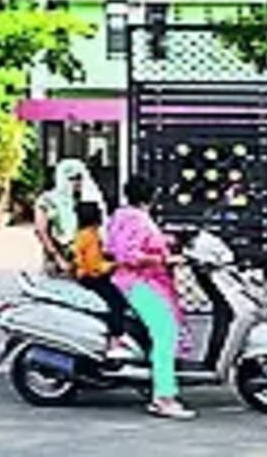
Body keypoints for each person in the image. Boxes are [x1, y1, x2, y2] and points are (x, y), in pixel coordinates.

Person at [106, 175, 197, 420]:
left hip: (137, 281)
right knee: (165, 331)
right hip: (137, 282)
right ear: (152, 196)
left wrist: (171, 241)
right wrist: (164, 259)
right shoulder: (136, 218)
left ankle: (157, 379)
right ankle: (163, 398)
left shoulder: (123, 215)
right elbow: (129, 254)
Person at [73, 202, 136, 360]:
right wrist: (118, 264)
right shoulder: (90, 235)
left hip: (87, 275)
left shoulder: (84, 233)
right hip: (92, 278)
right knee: (117, 303)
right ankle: (116, 339)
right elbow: (95, 266)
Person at [33, 158, 107, 277]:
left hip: (85, 255)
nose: (77, 182)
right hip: (59, 255)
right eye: (72, 178)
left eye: (80, 178)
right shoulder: (47, 200)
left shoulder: (86, 198)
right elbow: (41, 231)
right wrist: (58, 258)